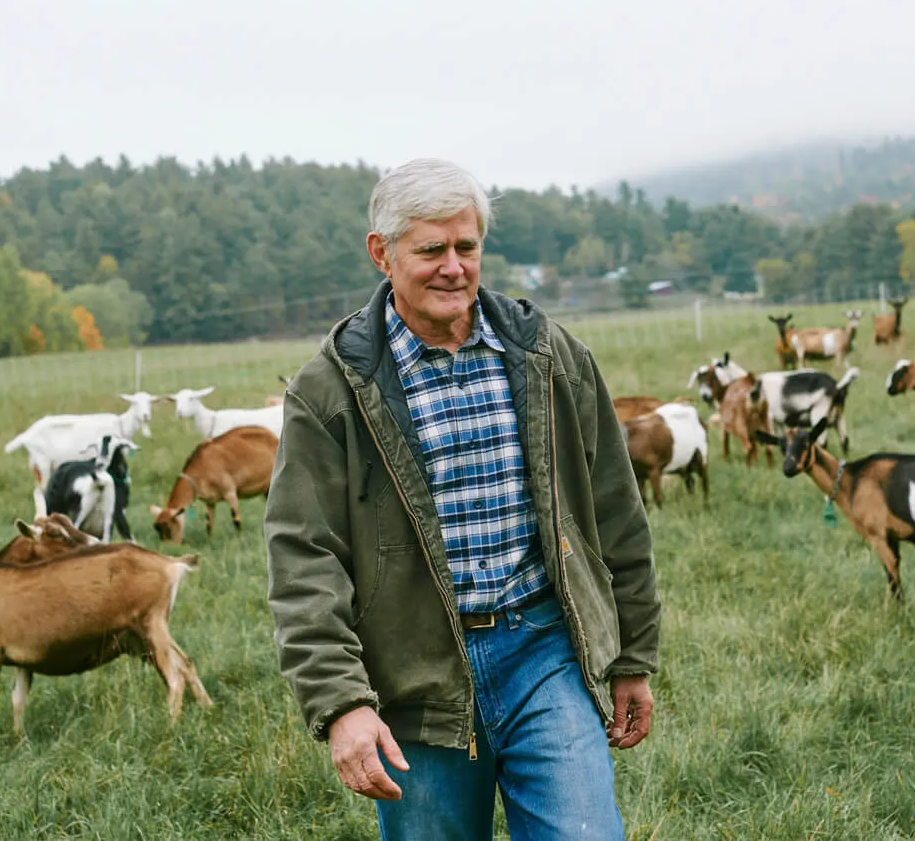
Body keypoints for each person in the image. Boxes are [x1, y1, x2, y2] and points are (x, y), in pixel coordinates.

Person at [264, 158, 661, 839]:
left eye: (467, 247)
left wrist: (631, 657)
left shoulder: (550, 357)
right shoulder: (331, 389)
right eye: (431, 250)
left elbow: (618, 513)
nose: (454, 266)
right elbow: (304, 558)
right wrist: (341, 704)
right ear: (381, 254)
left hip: (543, 650)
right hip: (415, 677)